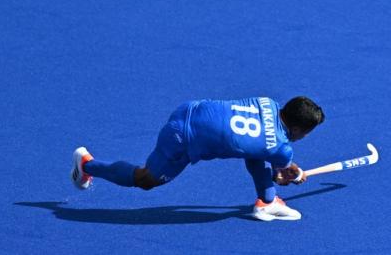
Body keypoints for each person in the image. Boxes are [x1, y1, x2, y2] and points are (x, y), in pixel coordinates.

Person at [70, 95, 324, 222]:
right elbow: (279, 161)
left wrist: (274, 181)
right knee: (146, 180)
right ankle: (87, 165)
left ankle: (267, 202)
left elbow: (255, 153)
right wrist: (290, 172)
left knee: (254, 155)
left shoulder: (267, 103)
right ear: (301, 130)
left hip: (189, 109)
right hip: (182, 139)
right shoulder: (281, 148)